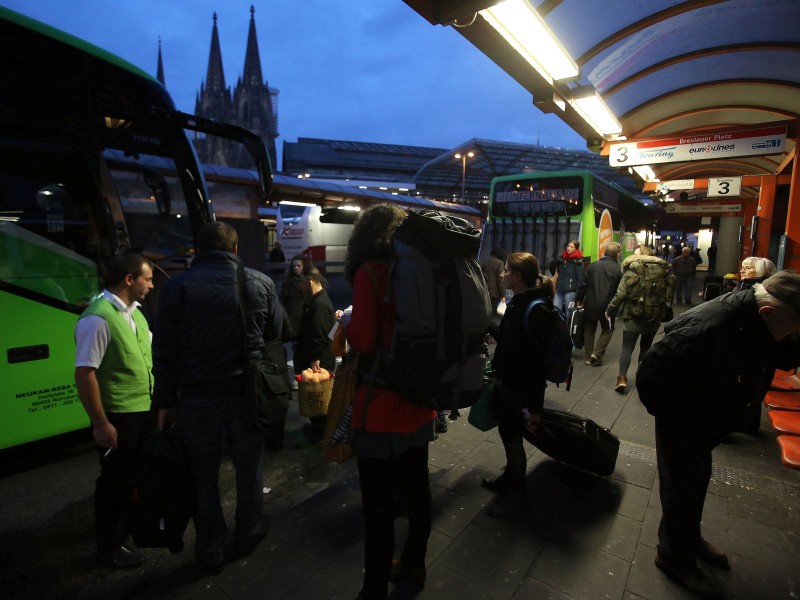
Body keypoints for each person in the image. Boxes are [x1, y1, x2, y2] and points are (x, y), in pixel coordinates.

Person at [636, 270, 800, 600]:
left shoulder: (756, 317)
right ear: (769, 313)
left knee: (696, 481)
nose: (792, 333)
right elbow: (651, 373)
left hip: (706, 418)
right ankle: (673, 557)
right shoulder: (712, 327)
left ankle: (688, 539)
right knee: (681, 487)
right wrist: (676, 417)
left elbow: (779, 352)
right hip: (684, 419)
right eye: (792, 326)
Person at [152, 222, 281, 575]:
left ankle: (210, 548)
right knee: (248, 468)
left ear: (199, 249)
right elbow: (276, 330)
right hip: (246, 397)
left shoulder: (175, 287)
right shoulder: (259, 283)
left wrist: (164, 401)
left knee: (203, 475)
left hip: (196, 399)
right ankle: (249, 531)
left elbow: (163, 349)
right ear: (235, 249)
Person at [343, 204, 436, 600]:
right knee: (417, 490)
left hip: (380, 406)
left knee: (378, 506)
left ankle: (374, 588)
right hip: (419, 400)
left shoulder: (371, 273)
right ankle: (414, 564)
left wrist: (348, 323)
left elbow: (362, 340)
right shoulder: (425, 270)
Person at [74, 253, 154, 569]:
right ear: (129, 280)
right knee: (114, 483)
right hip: (119, 417)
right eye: (147, 278)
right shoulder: (97, 318)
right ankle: (110, 547)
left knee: (133, 477)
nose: (151, 284)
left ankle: (128, 531)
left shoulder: (137, 314)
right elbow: (85, 374)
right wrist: (100, 423)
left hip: (142, 411)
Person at [482, 252, 554, 518]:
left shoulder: (535, 308)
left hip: (520, 390)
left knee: (513, 441)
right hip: (509, 384)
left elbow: (538, 362)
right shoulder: (521, 301)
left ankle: (518, 496)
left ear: (518, 276)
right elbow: (511, 340)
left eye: (507, 271)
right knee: (506, 435)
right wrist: (490, 325)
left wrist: (534, 408)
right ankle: (508, 481)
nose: (502, 275)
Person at [606, 246, 672, 394]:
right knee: (645, 348)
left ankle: (622, 378)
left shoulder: (633, 268)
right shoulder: (663, 270)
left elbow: (621, 293)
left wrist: (610, 309)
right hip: (654, 315)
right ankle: (641, 377)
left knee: (627, 347)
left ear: (641, 255)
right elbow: (668, 295)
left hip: (632, 314)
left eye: (636, 252)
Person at [293, 267, 336, 437]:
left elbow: (318, 334)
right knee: (317, 396)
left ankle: (321, 433)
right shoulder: (320, 300)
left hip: (319, 360)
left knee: (318, 396)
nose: (301, 286)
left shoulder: (319, 304)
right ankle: (318, 429)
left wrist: (315, 359)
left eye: (302, 282)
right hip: (321, 356)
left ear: (310, 282)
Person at [576, 242, 622, 366]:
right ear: (617, 254)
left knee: (589, 329)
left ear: (604, 252)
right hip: (608, 305)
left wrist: (579, 299)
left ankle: (587, 356)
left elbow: (583, 285)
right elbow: (620, 290)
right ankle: (597, 354)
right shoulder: (619, 269)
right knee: (608, 329)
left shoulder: (592, 266)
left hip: (590, 302)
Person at [280, 254, 311, 336]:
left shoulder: (308, 282)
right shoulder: (288, 282)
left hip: (305, 317)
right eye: (294, 266)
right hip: (292, 318)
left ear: (303, 266)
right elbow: (283, 301)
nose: (296, 268)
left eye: (298, 266)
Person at [552, 240, 584, 317]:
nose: (569, 248)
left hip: (570, 290)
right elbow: (554, 269)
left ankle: (568, 328)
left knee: (569, 313)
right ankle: (558, 328)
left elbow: (580, 279)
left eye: (571, 247)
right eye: (568, 246)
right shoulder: (562, 259)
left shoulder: (578, 262)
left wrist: (579, 294)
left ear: (576, 249)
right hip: (559, 289)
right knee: (555, 310)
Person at [481, 245, 507, 316]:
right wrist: (503, 295)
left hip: (484, 291)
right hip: (494, 293)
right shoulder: (500, 263)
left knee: (485, 313)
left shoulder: (485, 262)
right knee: (492, 315)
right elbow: (500, 280)